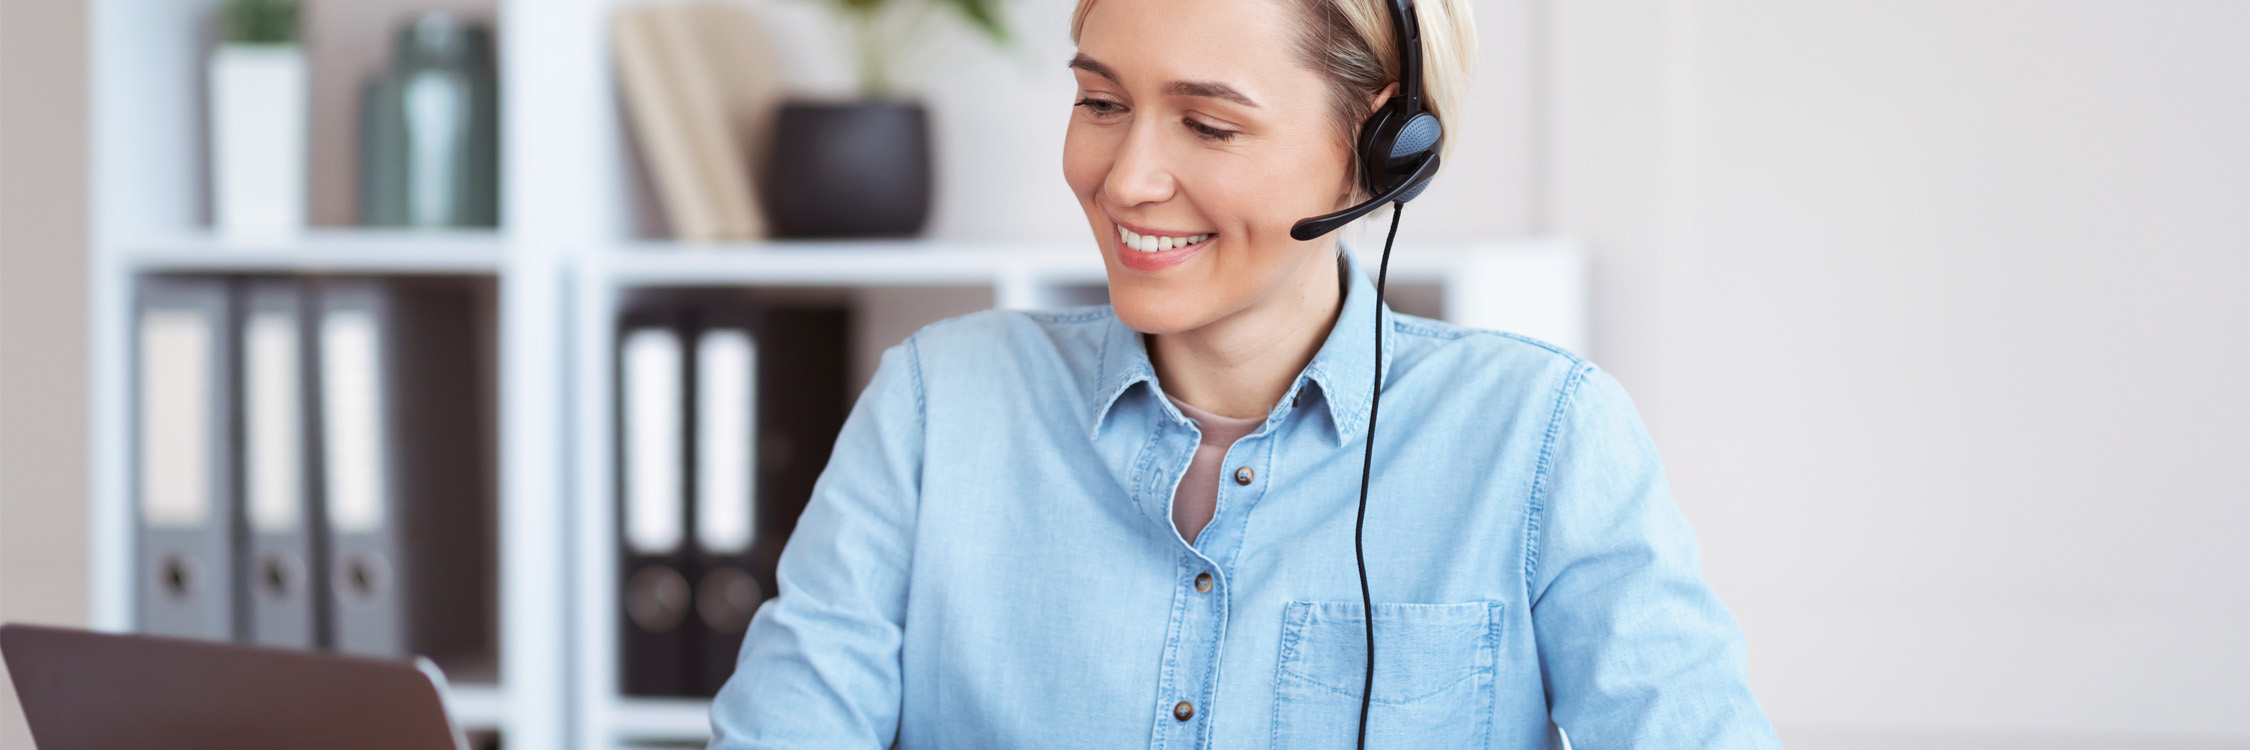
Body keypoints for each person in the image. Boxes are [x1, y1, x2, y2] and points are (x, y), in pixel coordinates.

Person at [709, 0, 1782, 746]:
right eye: (1099, 104)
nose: (1127, 178)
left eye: (1209, 123)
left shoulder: (1541, 436)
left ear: (1382, 144)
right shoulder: (940, 405)